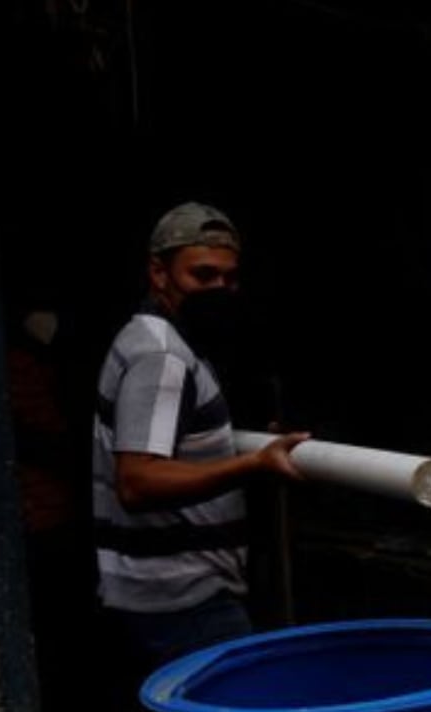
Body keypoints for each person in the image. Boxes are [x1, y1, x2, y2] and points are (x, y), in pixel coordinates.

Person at [91, 202, 305, 669]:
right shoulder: (161, 356)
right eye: (202, 276)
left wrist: (243, 442)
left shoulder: (159, 340)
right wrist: (253, 463)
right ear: (158, 272)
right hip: (184, 599)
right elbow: (138, 481)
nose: (218, 291)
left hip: (165, 594)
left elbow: (175, 442)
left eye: (228, 279)